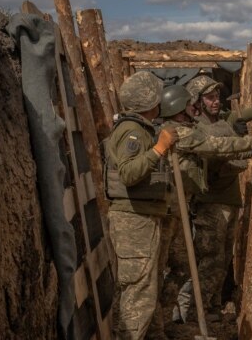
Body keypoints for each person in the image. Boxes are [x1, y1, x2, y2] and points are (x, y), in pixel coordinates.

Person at [156, 83, 252, 325]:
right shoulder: (187, 130)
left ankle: (190, 313)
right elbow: (217, 147)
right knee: (201, 259)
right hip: (197, 204)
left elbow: (248, 114)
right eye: (208, 97)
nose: (215, 101)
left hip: (191, 204)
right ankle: (182, 314)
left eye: (217, 95)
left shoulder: (217, 121)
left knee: (203, 261)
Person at [104, 71, 178, 340]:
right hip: (135, 221)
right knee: (139, 294)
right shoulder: (132, 132)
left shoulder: (139, 128)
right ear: (150, 101)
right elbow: (129, 173)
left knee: (142, 288)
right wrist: (159, 148)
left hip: (141, 218)